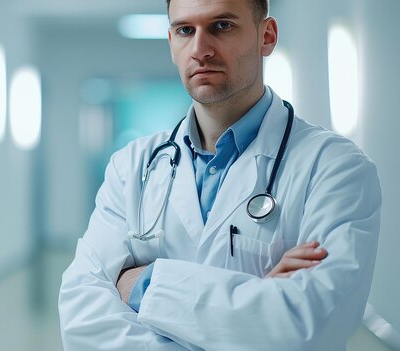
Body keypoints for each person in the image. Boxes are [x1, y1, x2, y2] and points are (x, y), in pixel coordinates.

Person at [58, 0, 382, 349]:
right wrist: (258, 300)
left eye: (222, 26)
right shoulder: (131, 167)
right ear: (171, 43)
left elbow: (312, 323)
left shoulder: (335, 168)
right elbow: (82, 318)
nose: (200, 50)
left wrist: (142, 284)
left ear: (267, 36)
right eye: (185, 30)